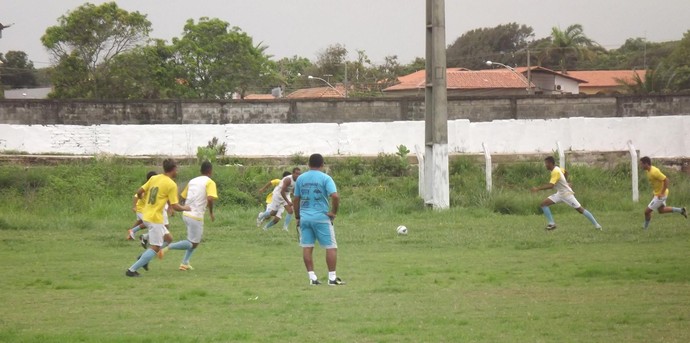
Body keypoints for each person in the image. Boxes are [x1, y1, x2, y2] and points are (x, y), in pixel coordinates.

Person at [125, 159, 190, 277]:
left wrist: (142, 199)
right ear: (174, 169)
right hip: (155, 218)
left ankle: (144, 258)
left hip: (146, 215)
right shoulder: (171, 184)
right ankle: (132, 270)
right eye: (177, 168)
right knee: (155, 247)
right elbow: (175, 205)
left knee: (169, 238)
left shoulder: (154, 178)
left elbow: (139, 192)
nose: (178, 170)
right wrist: (186, 208)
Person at [158, 161, 218, 270]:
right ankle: (167, 248)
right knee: (192, 243)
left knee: (193, 240)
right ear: (210, 171)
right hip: (196, 216)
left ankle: (184, 263)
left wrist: (180, 207)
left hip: (186, 213)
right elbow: (210, 198)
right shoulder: (210, 182)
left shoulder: (193, 181)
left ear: (201, 170)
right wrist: (211, 212)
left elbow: (183, 196)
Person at [293, 154, 343, 286]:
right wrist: (333, 212)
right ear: (322, 164)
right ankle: (332, 278)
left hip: (305, 218)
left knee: (307, 247)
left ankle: (312, 277)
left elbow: (296, 199)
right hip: (321, 218)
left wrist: (297, 217)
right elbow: (335, 196)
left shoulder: (301, 179)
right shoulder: (326, 178)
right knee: (331, 247)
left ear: (308, 164)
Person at [531, 156, 602, 231]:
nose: (545, 165)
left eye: (546, 163)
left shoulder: (555, 172)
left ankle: (597, 225)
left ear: (551, 163)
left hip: (567, 194)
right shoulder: (557, 168)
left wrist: (537, 189)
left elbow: (551, 186)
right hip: (560, 194)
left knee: (580, 210)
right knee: (543, 204)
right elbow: (566, 172)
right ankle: (552, 224)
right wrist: (566, 182)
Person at [640, 156, 687, 229]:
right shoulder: (648, 171)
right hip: (658, 194)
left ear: (646, 164)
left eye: (642, 164)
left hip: (661, 195)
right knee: (661, 210)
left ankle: (645, 228)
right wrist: (654, 192)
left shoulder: (654, 171)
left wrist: (661, 193)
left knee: (647, 211)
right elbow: (656, 183)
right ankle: (681, 210)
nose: (641, 166)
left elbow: (666, 180)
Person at [127, 171, 157, 240]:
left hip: (144, 209)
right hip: (141, 209)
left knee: (140, 222)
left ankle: (131, 233)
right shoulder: (147, 186)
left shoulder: (153, 186)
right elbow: (136, 195)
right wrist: (134, 206)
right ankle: (145, 236)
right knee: (150, 224)